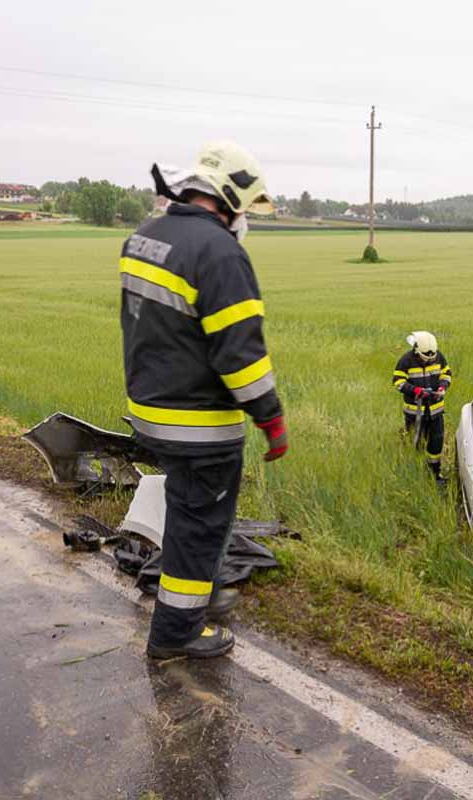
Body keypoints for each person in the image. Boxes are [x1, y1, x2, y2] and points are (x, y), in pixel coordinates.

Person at [120, 141, 287, 660]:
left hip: (150, 410)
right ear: (229, 200)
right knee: (200, 522)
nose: (243, 219)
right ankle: (176, 634)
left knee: (190, 509)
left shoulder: (145, 236)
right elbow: (242, 357)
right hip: (199, 424)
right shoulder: (219, 253)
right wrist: (272, 418)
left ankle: (201, 592)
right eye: (243, 209)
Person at [392, 331, 452, 484]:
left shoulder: (438, 356)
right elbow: (398, 382)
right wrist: (415, 391)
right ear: (416, 350)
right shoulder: (406, 360)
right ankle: (415, 476)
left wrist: (442, 387)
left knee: (435, 445)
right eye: (425, 357)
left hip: (436, 412)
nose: (429, 360)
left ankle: (434, 475)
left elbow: (446, 374)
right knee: (415, 444)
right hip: (415, 413)